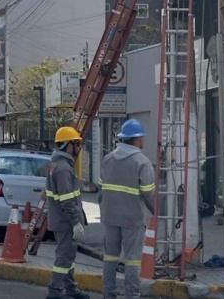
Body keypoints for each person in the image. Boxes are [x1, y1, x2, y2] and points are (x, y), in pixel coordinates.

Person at [98, 119, 155, 299]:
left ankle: (109, 294)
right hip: (132, 217)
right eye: (142, 138)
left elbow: (100, 190)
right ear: (137, 139)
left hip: (110, 216)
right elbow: (148, 193)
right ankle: (132, 294)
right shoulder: (142, 162)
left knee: (110, 257)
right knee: (132, 259)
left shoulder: (107, 159)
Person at [46, 126, 89, 299]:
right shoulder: (63, 168)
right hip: (65, 221)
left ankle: (70, 289)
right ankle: (54, 291)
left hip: (60, 219)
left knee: (67, 255)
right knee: (64, 257)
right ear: (67, 145)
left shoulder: (56, 164)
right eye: (77, 144)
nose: (79, 148)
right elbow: (66, 200)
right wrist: (76, 223)